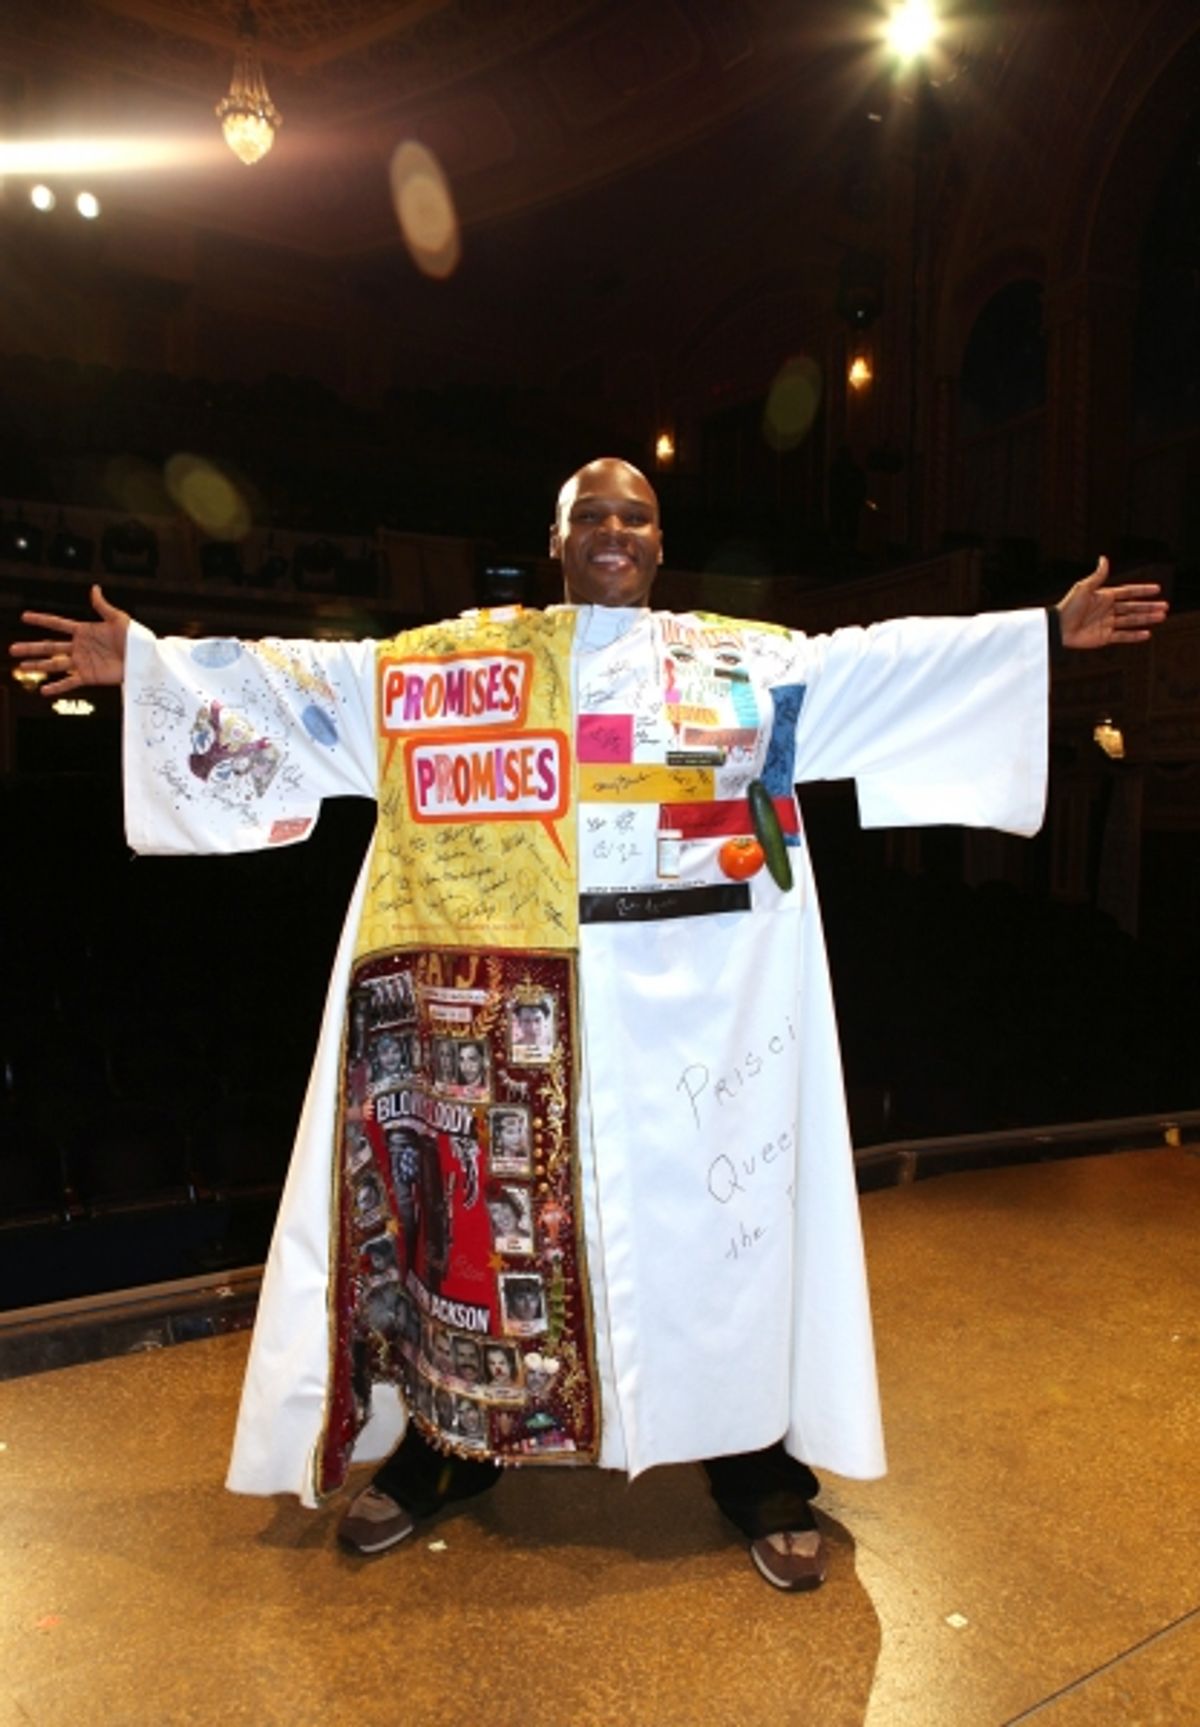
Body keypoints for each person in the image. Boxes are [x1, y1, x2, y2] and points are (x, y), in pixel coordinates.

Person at [11, 458, 1167, 1591]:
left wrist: (1040, 634)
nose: (615, 531)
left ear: (661, 543)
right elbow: (318, 683)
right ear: (556, 540)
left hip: (709, 1022)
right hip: (505, 1012)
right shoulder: (461, 662)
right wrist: (151, 665)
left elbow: (881, 666)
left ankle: (754, 1462)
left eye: (636, 515)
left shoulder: (743, 663)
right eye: (592, 515)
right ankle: (453, 1449)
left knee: (723, 1240)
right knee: (474, 1239)